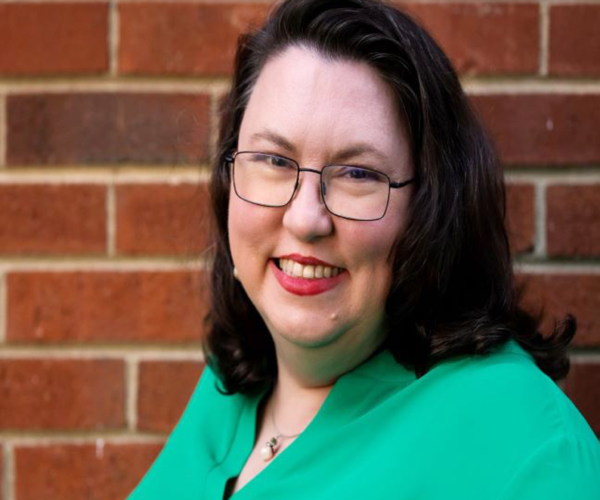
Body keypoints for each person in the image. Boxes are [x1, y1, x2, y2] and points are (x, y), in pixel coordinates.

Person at [129, 0, 600, 498]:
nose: (305, 219)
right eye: (273, 160)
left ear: (431, 206)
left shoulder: (522, 439)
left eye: (358, 174)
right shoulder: (229, 387)